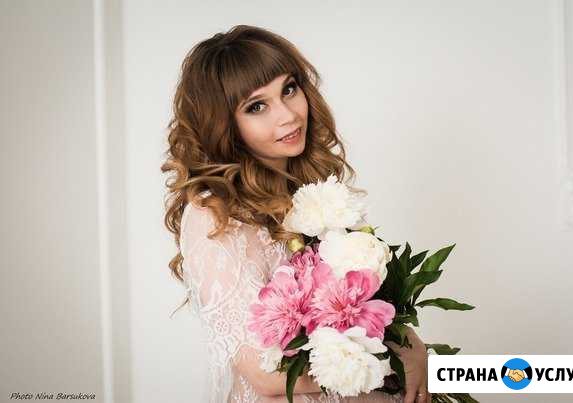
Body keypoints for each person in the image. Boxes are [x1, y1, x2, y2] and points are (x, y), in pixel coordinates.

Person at [161, 25, 431, 403]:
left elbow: (363, 306)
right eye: (257, 106)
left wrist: (410, 342)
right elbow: (265, 374)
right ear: (223, 124)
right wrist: (395, 363)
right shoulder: (215, 214)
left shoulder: (313, 195)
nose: (288, 115)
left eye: (289, 89)